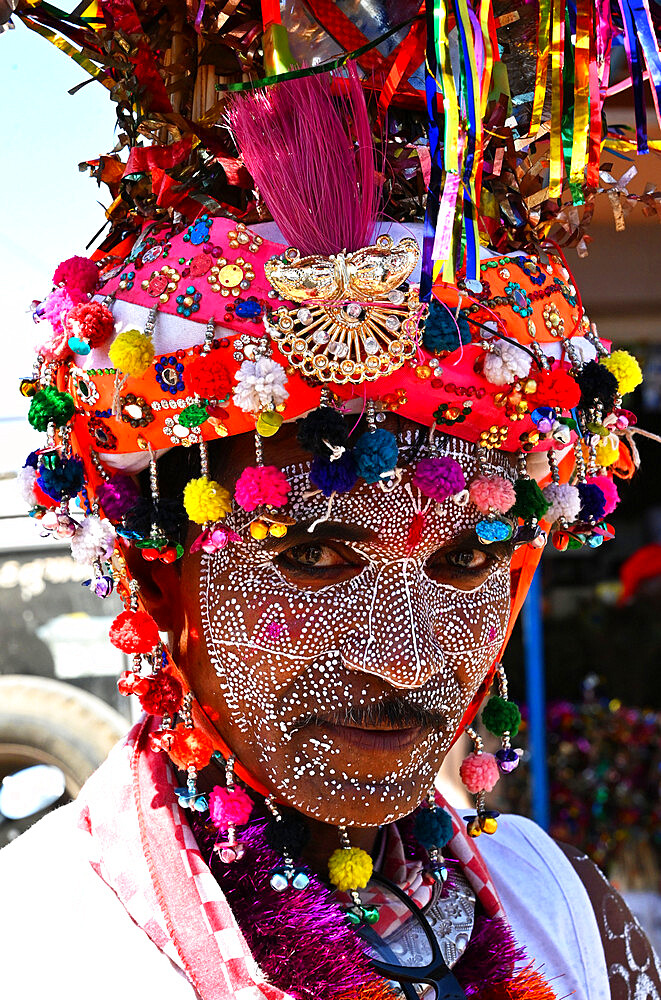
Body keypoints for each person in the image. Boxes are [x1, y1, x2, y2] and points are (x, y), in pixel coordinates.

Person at [2, 2, 661, 998]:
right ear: (157, 576)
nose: (403, 653)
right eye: (311, 554)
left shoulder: (557, 909)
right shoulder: (49, 942)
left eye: (466, 559)